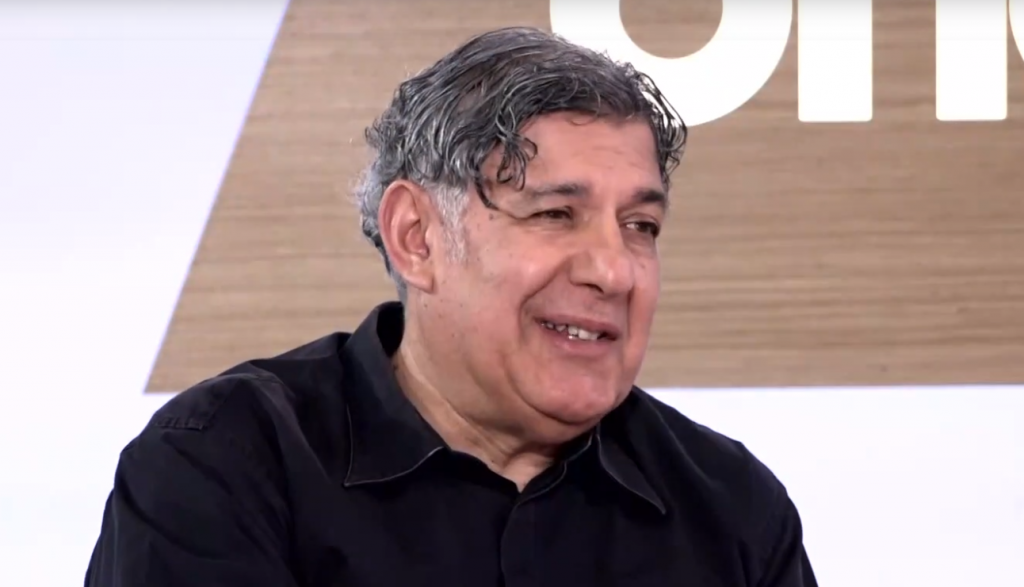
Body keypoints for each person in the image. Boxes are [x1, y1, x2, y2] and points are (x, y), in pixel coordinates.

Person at [85, 26, 817, 587]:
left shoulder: (730, 509)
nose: (614, 270)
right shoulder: (226, 462)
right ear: (418, 236)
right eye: (554, 214)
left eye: (641, 226)